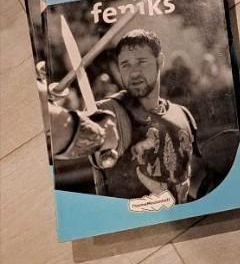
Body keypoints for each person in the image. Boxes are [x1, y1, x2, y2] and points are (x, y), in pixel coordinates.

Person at [42, 29, 198, 202]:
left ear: (159, 61)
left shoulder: (182, 114)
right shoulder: (109, 111)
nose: (134, 72)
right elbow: (79, 136)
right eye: (125, 65)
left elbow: (194, 175)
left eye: (141, 62)